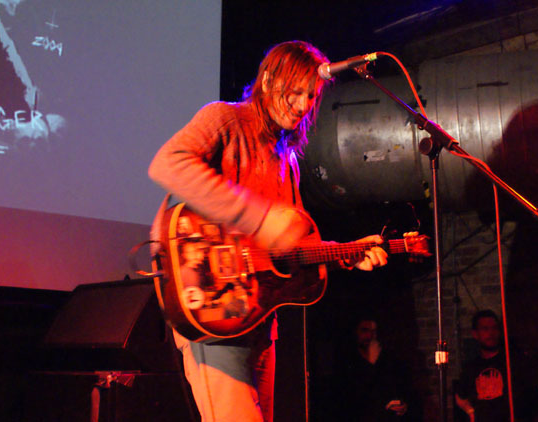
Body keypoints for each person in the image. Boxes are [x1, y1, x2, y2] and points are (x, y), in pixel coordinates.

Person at [148, 40, 388, 422]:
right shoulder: (224, 120)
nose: (302, 104)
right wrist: (259, 220)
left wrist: (345, 254)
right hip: (216, 313)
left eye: (310, 96)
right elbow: (168, 163)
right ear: (268, 80)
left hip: (260, 324)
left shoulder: (287, 161)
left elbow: (291, 249)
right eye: (295, 92)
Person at [455, 310, 538, 422]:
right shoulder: (471, 367)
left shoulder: (517, 361)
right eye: (485, 329)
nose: (491, 333)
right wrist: (471, 412)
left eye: (494, 328)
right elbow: (460, 396)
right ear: (475, 334)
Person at [337, 316, 413, 421]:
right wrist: (371, 361)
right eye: (364, 331)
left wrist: (403, 405)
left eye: (373, 331)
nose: (369, 336)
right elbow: (354, 396)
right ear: (356, 332)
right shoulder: (348, 360)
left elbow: (400, 388)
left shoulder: (388, 358)